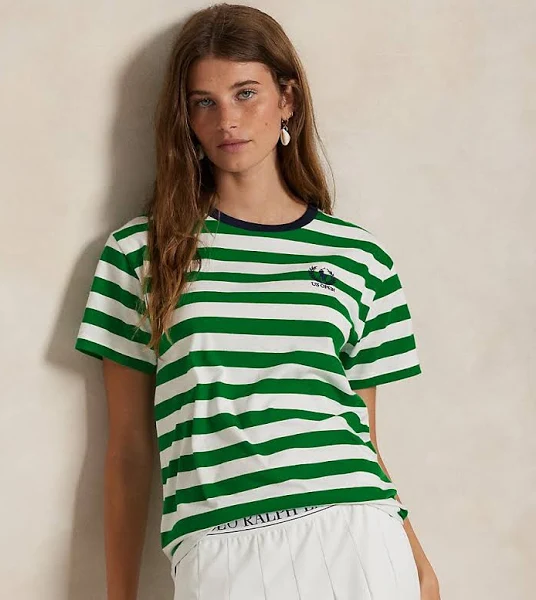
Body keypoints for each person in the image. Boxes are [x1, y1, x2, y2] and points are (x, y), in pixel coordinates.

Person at [75, 3, 441, 599]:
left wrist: (417, 563)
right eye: (204, 102)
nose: (228, 120)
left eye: (246, 93)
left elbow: (365, 440)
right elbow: (129, 452)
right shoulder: (141, 252)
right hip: (219, 546)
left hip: (359, 535)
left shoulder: (359, 257)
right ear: (186, 117)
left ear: (286, 99)